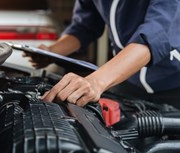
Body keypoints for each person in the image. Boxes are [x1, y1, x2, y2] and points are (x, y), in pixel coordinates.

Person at [23, 0, 180, 108]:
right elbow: (85, 26)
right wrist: (52, 52)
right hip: (129, 83)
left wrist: (95, 82)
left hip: (174, 82)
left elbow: (157, 33)